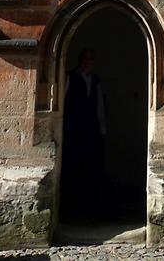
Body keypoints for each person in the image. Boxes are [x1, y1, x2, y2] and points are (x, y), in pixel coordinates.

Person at [60, 47, 107, 219]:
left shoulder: (96, 81)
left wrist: (102, 131)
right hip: (73, 130)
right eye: (85, 59)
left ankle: (88, 209)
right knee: (72, 166)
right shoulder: (69, 77)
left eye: (91, 59)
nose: (88, 62)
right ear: (80, 60)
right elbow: (61, 103)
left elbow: (99, 107)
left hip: (91, 130)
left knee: (90, 167)